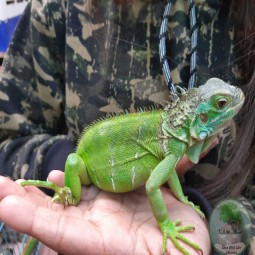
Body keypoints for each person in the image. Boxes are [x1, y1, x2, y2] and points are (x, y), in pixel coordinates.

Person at [0, 0, 254, 254]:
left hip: (195, 231)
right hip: (90, 176)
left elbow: (168, 173)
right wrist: (166, 224)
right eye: (221, 104)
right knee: (74, 163)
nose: (232, 101)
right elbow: (153, 185)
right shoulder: (55, 9)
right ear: (199, 118)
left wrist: (190, 205)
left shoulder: (238, 13)